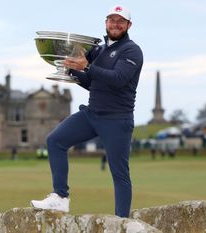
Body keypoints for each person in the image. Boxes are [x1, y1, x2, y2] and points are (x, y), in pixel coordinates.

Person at [30, 5, 143, 218]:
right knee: (55, 140)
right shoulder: (98, 49)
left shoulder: (132, 50)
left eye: (120, 21)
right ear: (106, 22)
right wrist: (70, 70)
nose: (115, 24)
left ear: (129, 25)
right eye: (112, 19)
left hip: (117, 119)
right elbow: (93, 83)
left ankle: (121, 222)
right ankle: (60, 198)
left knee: (119, 174)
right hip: (92, 114)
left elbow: (118, 79)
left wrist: (87, 67)